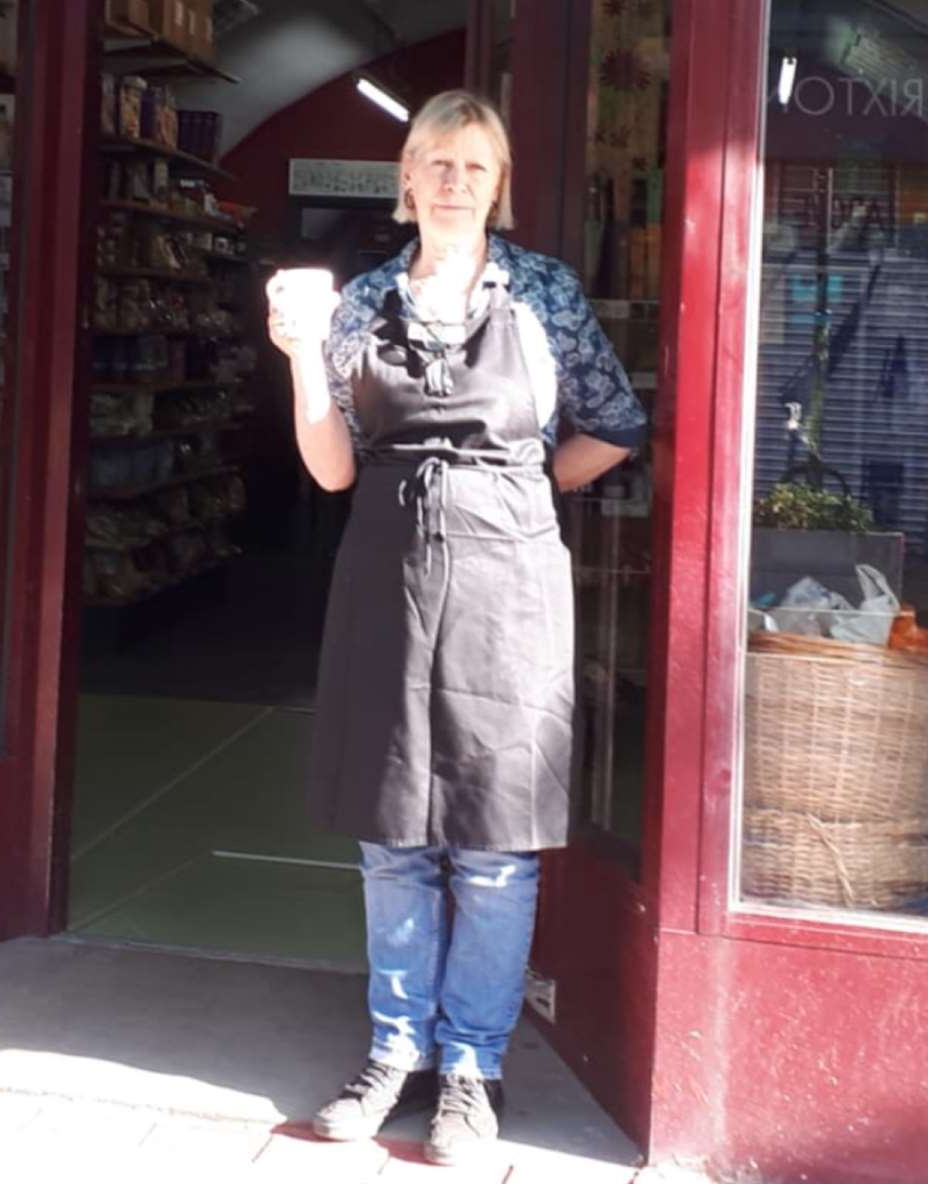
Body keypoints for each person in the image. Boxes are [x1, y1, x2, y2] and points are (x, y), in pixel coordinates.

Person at [266, 89, 646, 1167]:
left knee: (490, 842)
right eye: (434, 160)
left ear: (499, 182)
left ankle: (472, 1067)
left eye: (474, 165)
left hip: (508, 580)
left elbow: (613, 426)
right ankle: (395, 1049)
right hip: (384, 567)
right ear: (405, 177)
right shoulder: (363, 300)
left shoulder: (543, 292)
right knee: (393, 834)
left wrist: (520, 492)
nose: (453, 180)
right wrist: (300, 351)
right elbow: (333, 464)